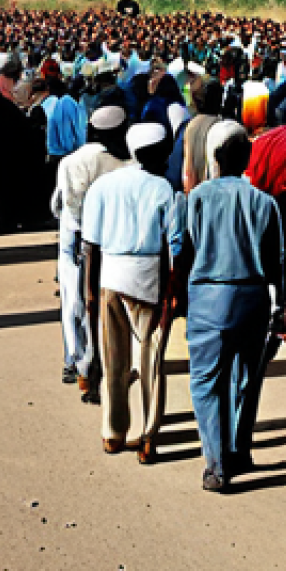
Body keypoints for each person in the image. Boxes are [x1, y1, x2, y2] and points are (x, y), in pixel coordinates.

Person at [183, 129, 283, 491]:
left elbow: (182, 249)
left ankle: (216, 463)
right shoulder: (263, 202)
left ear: (216, 162)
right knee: (246, 378)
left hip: (207, 297)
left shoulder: (196, 198)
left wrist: (176, 299)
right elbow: (275, 263)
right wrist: (282, 306)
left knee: (206, 382)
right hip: (252, 297)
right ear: (246, 164)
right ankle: (239, 448)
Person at [82, 122, 185, 464]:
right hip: (148, 278)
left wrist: (90, 292)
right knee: (151, 359)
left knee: (114, 359)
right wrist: (173, 292)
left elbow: (91, 247)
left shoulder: (104, 186)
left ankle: (113, 433)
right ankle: (148, 435)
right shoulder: (163, 190)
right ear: (156, 153)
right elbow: (175, 247)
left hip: (110, 275)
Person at [51, 106, 130, 394]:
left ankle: (76, 359)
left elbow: (62, 206)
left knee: (74, 301)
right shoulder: (126, 161)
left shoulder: (72, 161)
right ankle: (102, 359)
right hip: (111, 240)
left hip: (75, 239)